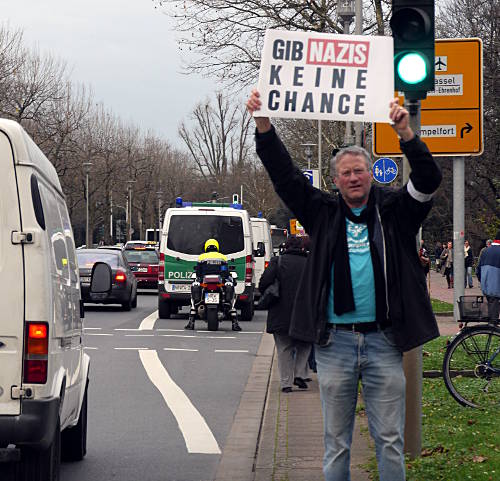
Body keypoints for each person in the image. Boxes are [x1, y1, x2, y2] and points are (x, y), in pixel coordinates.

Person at [246, 90, 442, 481]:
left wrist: (406, 133)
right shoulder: (322, 213)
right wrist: (264, 126)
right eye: (346, 173)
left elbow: (428, 180)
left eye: (360, 170)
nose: (354, 177)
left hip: (384, 342)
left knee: (388, 439)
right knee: (337, 442)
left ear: (372, 173)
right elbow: (285, 178)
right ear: (334, 181)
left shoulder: (396, 212)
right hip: (334, 344)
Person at [259, 236, 311, 392]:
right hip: (305, 312)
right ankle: (300, 374)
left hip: (280, 312)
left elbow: (263, 283)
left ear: (285, 247)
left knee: (284, 348)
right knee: (305, 344)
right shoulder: (309, 262)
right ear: (302, 248)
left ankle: (286, 383)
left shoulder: (278, 261)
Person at [185, 238, 241, 331]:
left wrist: (199, 279)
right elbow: (225, 272)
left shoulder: (202, 257)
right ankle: (235, 323)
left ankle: (191, 322)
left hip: (205, 283)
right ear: (217, 247)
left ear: (206, 247)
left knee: (194, 293)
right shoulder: (222, 257)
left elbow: (198, 273)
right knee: (230, 292)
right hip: (219, 283)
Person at [476, 231, 500, 320]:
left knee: (492, 310)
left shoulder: (485, 251)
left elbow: (478, 270)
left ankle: (491, 328)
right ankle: (492, 329)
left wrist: (483, 281)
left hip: (486, 287)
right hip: (496, 288)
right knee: (493, 320)